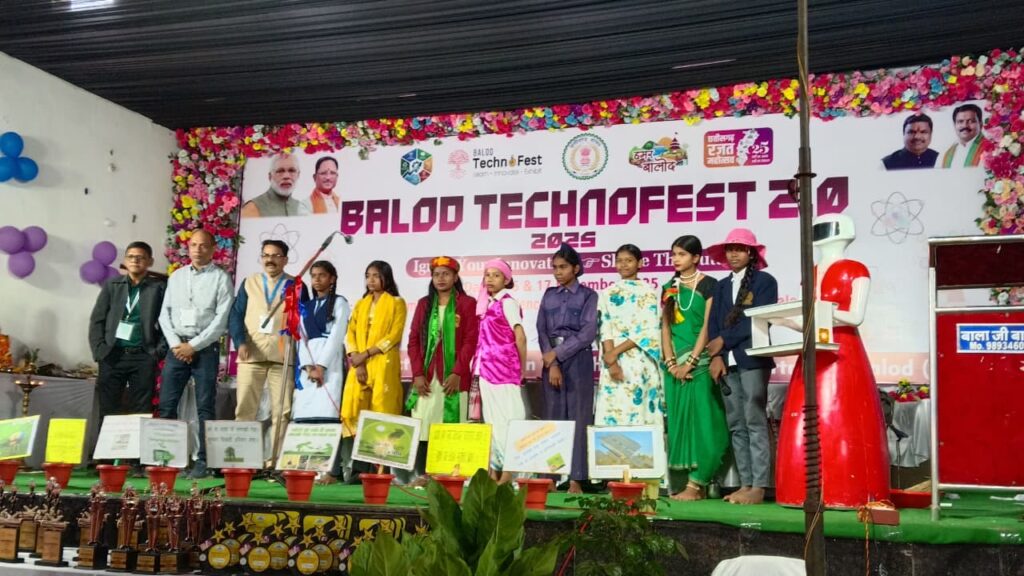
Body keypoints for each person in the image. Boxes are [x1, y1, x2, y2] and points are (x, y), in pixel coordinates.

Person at [775, 213, 890, 508]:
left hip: (843, 351)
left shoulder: (856, 269)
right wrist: (786, 319)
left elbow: (855, 316)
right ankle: (799, 490)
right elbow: (807, 318)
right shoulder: (811, 272)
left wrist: (818, 311)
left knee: (845, 418)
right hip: (814, 349)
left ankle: (849, 490)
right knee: (805, 419)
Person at [706, 228, 777, 505]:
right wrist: (717, 355)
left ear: (751, 253)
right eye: (730, 249)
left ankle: (759, 486)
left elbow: (757, 319)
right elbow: (714, 323)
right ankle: (745, 484)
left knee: (754, 420)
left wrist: (724, 340)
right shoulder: (721, 285)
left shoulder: (765, 281)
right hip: (726, 361)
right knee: (736, 424)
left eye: (739, 249)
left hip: (753, 358)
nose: (733, 254)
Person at [157, 229, 234, 479]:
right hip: (177, 348)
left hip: (205, 349)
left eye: (203, 246)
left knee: (205, 407)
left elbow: (221, 320)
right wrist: (176, 345)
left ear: (213, 249)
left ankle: (203, 462)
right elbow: (164, 315)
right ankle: (167, 460)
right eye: (193, 245)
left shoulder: (221, 278)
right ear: (188, 248)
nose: (198, 250)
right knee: (167, 405)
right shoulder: (177, 276)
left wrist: (194, 346)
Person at [660, 236, 728, 501]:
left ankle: (697, 483)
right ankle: (683, 483)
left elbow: (708, 326)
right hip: (674, 367)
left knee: (704, 423)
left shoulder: (710, 285)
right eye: (674, 254)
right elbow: (665, 327)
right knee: (680, 424)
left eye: (682, 254)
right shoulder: (669, 286)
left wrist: (691, 361)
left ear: (696, 258)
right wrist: (671, 362)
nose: (676, 259)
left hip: (700, 364)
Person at [228, 239, 302, 468]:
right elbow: (236, 315)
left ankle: (274, 462)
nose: (270, 259)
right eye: (266, 255)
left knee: (282, 411)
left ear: (285, 260)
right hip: (251, 354)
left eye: (276, 255)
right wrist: (239, 341)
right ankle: (242, 461)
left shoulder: (295, 284)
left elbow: (303, 319)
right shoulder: (249, 282)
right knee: (245, 409)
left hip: (283, 357)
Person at [405, 256, 478, 485]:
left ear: (455, 277)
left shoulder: (467, 303)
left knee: (452, 425)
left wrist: (457, 372)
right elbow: (413, 341)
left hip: (454, 377)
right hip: (427, 376)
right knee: (425, 422)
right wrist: (417, 374)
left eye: (446, 274)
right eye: (436, 274)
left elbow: (470, 341)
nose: (441, 278)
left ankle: (450, 475)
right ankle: (424, 474)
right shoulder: (424, 304)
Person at [537, 244, 598, 494]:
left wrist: (558, 354)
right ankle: (550, 476)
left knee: (579, 418)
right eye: (554, 267)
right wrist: (552, 361)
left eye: (563, 267)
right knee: (553, 420)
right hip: (551, 361)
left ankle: (576, 479)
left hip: (578, 359)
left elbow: (588, 332)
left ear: (576, 268)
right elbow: (541, 329)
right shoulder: (549, 295)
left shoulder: (588, 295)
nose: (558, 272)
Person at [339, 261, 406, 481]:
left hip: (383, 362)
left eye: (376, 275)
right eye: (368, 276)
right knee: (356, 410)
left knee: (382, 412)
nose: (371, 280)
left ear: (386, 277)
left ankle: (382, 472)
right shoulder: (361, 304)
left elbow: (394, 336)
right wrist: (357, 361)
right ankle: (358, 470)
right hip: (359, 363)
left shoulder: (396, 303)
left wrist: (366, 354)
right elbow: (350, 334)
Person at [89, 241, 167, 424]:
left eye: (140, 257)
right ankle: (106, 444)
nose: (135, 261)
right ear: (125, 260)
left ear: (150, 261)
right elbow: (97, 320)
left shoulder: (158, 288)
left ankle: (135, 445)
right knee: (108, 410)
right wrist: (99, 350)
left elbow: (166, 322)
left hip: (143, 356)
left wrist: (158, 351)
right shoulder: (112, 285)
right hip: (112, 354)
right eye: (131, 257)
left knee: (140, 411)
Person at [291, 260, 350, 483]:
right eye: (314, 276)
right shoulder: (306, 306)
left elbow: (337, 335)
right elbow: (301, 337)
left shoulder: (340, 303)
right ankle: (307, 468)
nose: (317, 280)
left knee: (327, 414)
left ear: (332, 278)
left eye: (322, 275)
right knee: (306, 413)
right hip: (307, 363)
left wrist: (321, 365)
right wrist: (308, 365)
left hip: (329, 362)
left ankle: (331, 471)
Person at [595, 244, 664, 427]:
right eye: (619, 261)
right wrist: (612, 361)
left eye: (629, 260)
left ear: (640, 263)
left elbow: (648, 330)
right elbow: (605, 326)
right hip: (613, 361)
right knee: (614, 410)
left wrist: (614, 352)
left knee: (639, 412)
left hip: (640, 358)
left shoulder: (649, 292)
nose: (623, 265)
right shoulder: (607, 293)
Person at [473, 259, 527, 484]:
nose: (490, 279)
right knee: (492, 423)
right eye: (487, 275)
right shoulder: (485, 304)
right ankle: (495, 470)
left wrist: (521, 368)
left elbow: (520, 336)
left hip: (505, 370)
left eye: (496, 275)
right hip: (486, 370)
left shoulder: (508, 303)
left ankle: (510, 472)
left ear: (506, 280)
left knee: (509, 420)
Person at [240, 153, 310, 217]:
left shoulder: (301, 207)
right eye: (280, 171)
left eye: (291, 170)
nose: (286, 176)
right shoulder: (253, 208)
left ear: (298, 175)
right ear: (270, 177)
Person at [941, 104, 988, 168]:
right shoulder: (948, 153)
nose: (965, 125)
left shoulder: (990, 150)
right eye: (960, 121)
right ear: (954, 125)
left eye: (971, 121)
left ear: (980, 124)